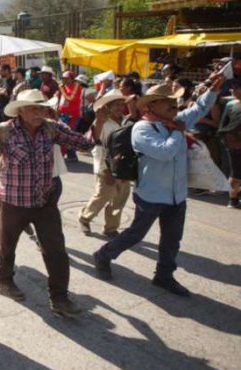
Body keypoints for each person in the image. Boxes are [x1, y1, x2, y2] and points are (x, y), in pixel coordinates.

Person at [93, 76, 223, 295]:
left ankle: (164, 276)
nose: (174, 106)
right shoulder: (143, 129)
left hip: (177, 195)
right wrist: (177, 131)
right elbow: (164, 152)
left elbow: (199, 108)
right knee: (136, 234)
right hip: (151, 194)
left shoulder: (176, 121)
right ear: (152, 105)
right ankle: (103, 255)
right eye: (167, 102)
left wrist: (212, 90)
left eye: (175, 102)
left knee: (172, 240)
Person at [0, 89, 96, 317]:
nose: (39, 112)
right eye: (33, 107)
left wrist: (98, 121)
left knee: (56, 251)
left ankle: (60, 298)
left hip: (45, 201)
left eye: (42, 107)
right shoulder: (4, 131)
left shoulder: (52, 128)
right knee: (7, 246)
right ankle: (5, 281)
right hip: (13, 201)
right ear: (21, 110)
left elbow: (83, 144)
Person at [78, 91, 131, 238]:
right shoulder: (102, 124)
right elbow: (98, 148)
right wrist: (105, 170)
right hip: (106, 167)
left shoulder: (127, 122)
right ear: (108, 107)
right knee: (102, 196)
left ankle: (111, 228)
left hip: (124, 168)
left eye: (122, 104)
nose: (120, 107)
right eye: (116, 105)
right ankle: (85, 217)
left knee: (120, 199)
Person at [218, 104, 241, 208]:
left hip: (232, 142)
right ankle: (233, 200)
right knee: (236, 174)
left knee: (236, 174)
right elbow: (222, 126)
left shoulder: (231, 105)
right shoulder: (231, 105)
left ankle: (234, 199)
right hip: (234, 143)